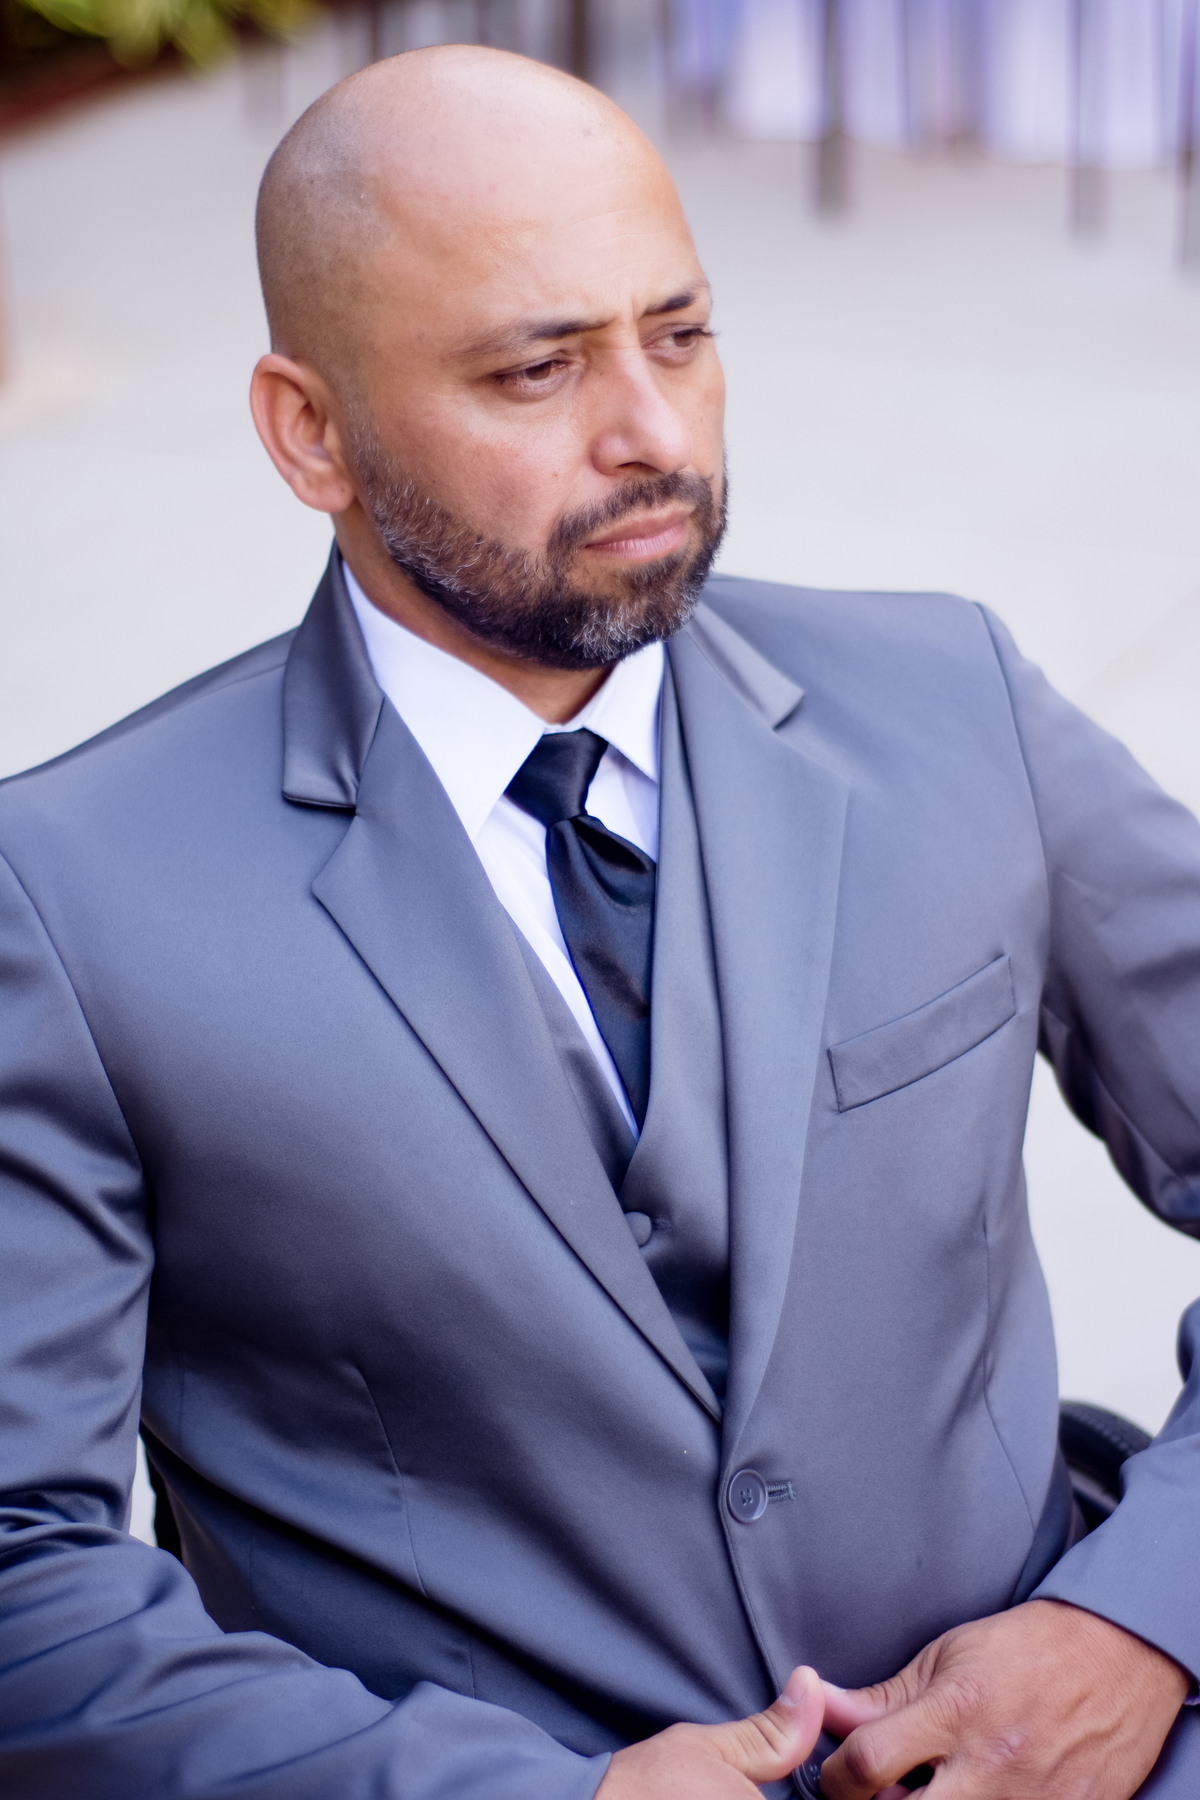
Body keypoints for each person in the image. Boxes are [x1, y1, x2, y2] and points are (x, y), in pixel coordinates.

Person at [0, 42, 1198, 1800]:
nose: (651, 434)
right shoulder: (65, 898)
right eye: (536, 368)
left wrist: (1141, 1620)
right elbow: (19, 1584)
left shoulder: (958, 705)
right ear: (309, 432)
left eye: (680, 335)